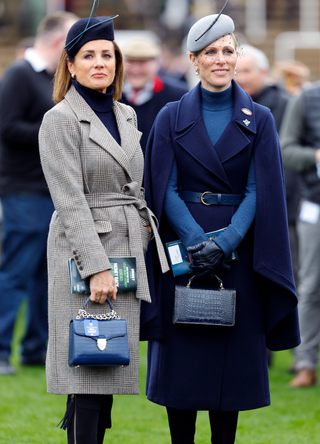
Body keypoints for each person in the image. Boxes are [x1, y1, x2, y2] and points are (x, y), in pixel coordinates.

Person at [142, 9, 300, 444]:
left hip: (239, 254)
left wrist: (227, 240)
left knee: (228, 382)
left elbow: (261, 190)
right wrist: (196, 240)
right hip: (185, 253)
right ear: (193, 59)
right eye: (210, 51)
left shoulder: (261, 118)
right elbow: (162, 187)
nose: (220, 59)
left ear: (237, 55)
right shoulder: (170, 116)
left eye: (228, 50)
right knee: (182, 373)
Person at [38, 12, 168, 444]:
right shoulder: (59, 119)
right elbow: (69, 200)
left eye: (108, 55)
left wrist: (146, 237)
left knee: (107, 367)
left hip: (128, 251)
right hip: (84, 256)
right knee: (87, 375)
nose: (100, 63)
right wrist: (95, 266)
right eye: (88, 55)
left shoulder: (126, 114)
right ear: (70, 65)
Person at [0, 11, 78, 376]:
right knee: (16, 272)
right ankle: (1, 351)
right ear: (56, 40)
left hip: (53, 193)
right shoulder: (18, 74)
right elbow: (8, 127)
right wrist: (56, 132)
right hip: (24, 191)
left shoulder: (54, 80)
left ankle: (35, 348)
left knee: (46, 277)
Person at [235, 44, 299, 367]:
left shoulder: (283, 106)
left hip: (284, 207)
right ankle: (258, 349)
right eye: (238, 71)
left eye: (247, 71)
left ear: (264, 72)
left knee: (287, 275)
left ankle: (291, 348)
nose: (241, 77)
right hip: (240, 211)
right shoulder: (228, 105)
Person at [280, 81, 320, 388]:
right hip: (314, 207)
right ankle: (305, 363)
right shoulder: (306, 99)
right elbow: (286, 149)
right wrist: (316, 156)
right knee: (310, 286)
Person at [120, 37, 189, 153]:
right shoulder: (110, 95)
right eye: (130, 62)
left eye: (142, 62)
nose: (136, 70)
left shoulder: (179, 96)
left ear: (157, 63)